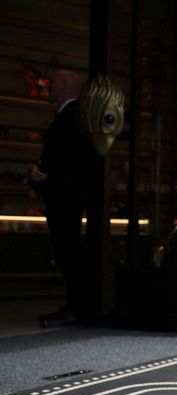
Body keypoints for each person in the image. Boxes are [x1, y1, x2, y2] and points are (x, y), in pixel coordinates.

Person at [26, 70, 99, 328]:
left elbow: (62, 157)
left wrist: (40, 175)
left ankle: (77, 306)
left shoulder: (70, 117)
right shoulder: (77, 116)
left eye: (53, 81)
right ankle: (78, 304)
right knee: (70, 250)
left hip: (66, 195)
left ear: (66, 86)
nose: (48, 85)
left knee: (69, 250)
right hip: (68, 193)